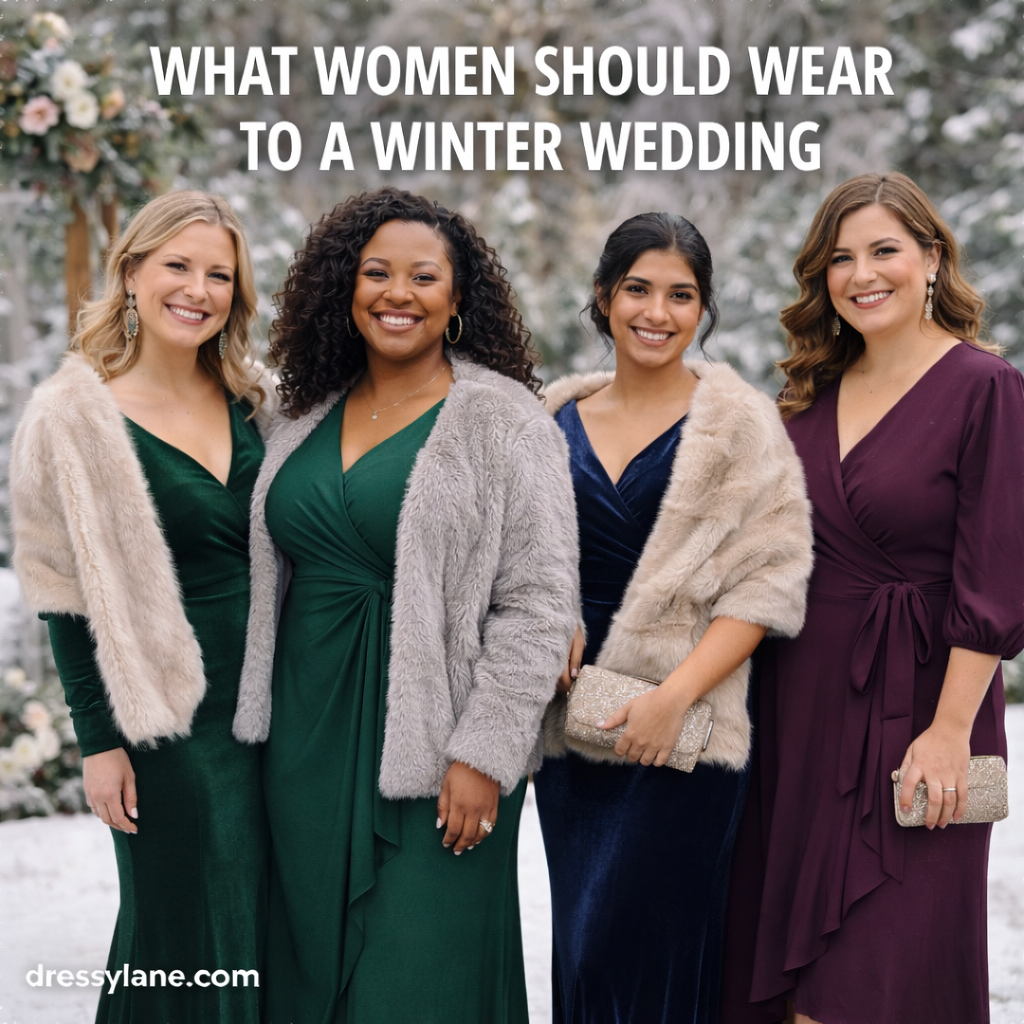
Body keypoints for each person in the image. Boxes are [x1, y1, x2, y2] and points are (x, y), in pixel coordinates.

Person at [230, 186, 578, 1024]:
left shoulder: (504, 421)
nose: (397, 293)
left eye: (423, 277)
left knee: (420, 980)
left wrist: (485, 753)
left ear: (458, 299)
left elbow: (536, 602)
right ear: (345, 289)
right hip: (303, 744)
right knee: (307, 976)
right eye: (376, 273)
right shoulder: (299, 417)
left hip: (441, 748)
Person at [720, 172, 1024, 1024]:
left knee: (878, 979)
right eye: (840, 259)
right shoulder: (806, 402)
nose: (862, 274)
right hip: (799, 717)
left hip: (924, 712)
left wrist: (949, 732)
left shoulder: (985, 389)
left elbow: (997, 576)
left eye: (884, 250)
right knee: (790, 992)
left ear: (932, 259)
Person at [533, 212, 814, 1024]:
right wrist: (552, 614)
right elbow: (518, 561)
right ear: (603, 298)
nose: (657, 313)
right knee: (583, 948)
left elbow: (768, 583)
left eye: (681, 295)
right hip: (574, 728)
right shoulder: (549, 420)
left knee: (654, 945)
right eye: (638, 290)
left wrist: (673, 698)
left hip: (686, 727)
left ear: (703, 309)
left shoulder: (740, 423)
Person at [9, 191, 274, 1022]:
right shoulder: (70, 417)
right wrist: (98, 743)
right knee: (181, 934)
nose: (198, 289)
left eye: (219, 275)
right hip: (166, 721)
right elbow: (59, 594)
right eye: (177, 266)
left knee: (271, 932)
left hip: (286, 704)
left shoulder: (259, 400)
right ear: (130, 272)